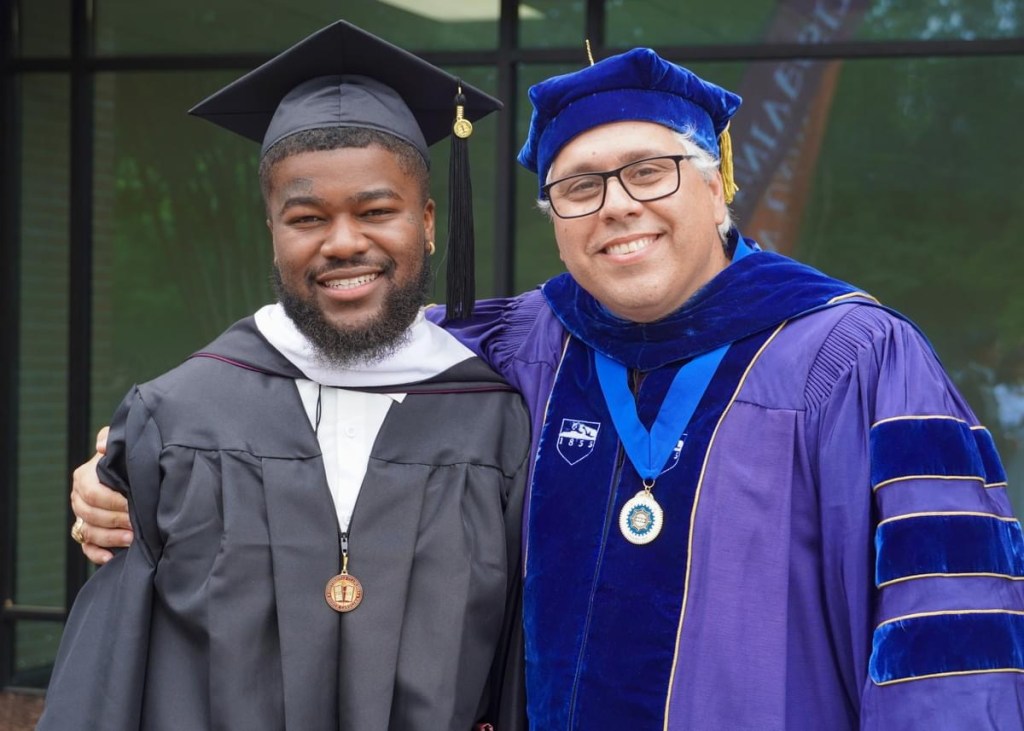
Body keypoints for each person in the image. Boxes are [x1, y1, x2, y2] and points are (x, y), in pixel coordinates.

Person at [72, 47, 1024, 729]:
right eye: (579, 185)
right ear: (555, 216)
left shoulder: (854, 357)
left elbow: (948, 620)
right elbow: (337, 340)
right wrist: (139, 458)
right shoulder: (525, 345)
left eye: (650, 171)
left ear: (717, 183)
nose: (617, 206)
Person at [42, 20, 530, 731]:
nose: (343, 241)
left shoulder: (497, 419)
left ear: (427, 221)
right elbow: (108, 674)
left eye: (376, 210)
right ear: (272, 227)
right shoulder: (178, 417)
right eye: (306, 217)